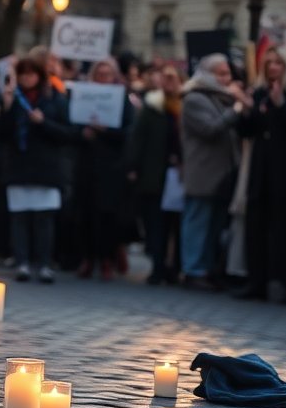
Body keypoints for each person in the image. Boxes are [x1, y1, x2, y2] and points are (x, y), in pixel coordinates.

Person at [236, 46, 286, 301]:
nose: (272, 68)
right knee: (256, 225)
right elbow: (247, 131)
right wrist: (247, 111)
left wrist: (281, 104)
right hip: (261, 168)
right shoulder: (259, 93)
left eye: (278, 63)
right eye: (268, 63)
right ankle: (256, 281)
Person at [0, 58, 73, 283]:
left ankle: (44, 263)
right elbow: (1, 134)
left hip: (46, 168)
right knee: (20, 218)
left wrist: (44, 122)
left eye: (32, 74)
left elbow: (67, 133)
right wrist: (7, 107)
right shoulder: (13, 98)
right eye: (23, 73)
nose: (27, 78)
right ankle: (22, 262)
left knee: (43, 219)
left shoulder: (55, 100)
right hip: (19, 166)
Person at [179, 53, 249, 289]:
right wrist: (237, 108)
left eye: (227, 73)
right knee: (198, 221)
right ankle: (193, 269)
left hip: (223, 173)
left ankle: (208, 269)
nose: (225, 78)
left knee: (215, 224)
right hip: (203, 172)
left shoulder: (223, 98)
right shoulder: (195, 99)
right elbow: (211, 128)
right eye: (220, 73)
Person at [75, 59, 136, 280]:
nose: (103, 78)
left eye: (107, 74)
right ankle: (88, 258)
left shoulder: (122, 99)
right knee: (85, 213)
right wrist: (83, 133)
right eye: (99, 74)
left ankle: (107, 259)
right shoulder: (82, 94)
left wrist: (105, 130)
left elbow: (129, 131)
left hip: (112, 166)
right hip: (86, 164)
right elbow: (71, 125)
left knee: (108, 214)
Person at [125, 63, 184, 284]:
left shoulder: (184, 106)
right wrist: (133, 167)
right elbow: (138, 139)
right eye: (165, 77)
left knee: (176, 225)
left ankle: (175, 268)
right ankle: (158, 267)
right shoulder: (152, 107)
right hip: (155, 175)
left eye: (172, 78)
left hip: (179, 175)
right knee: (157, 225)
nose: (168, 82)